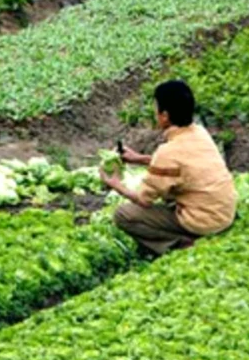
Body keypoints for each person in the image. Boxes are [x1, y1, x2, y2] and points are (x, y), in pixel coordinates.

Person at [100, 80, 237, 256]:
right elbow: (183, 166)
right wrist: (138, 159)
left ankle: (181, 243)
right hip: (224, 214)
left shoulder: (168, 152)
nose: (154, 112)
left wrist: (115, 183)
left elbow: (143, 199)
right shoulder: (199, 133)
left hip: (203, 222)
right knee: (169, 193)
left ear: (164, 115)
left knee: (124, 215)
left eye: (155, 107)